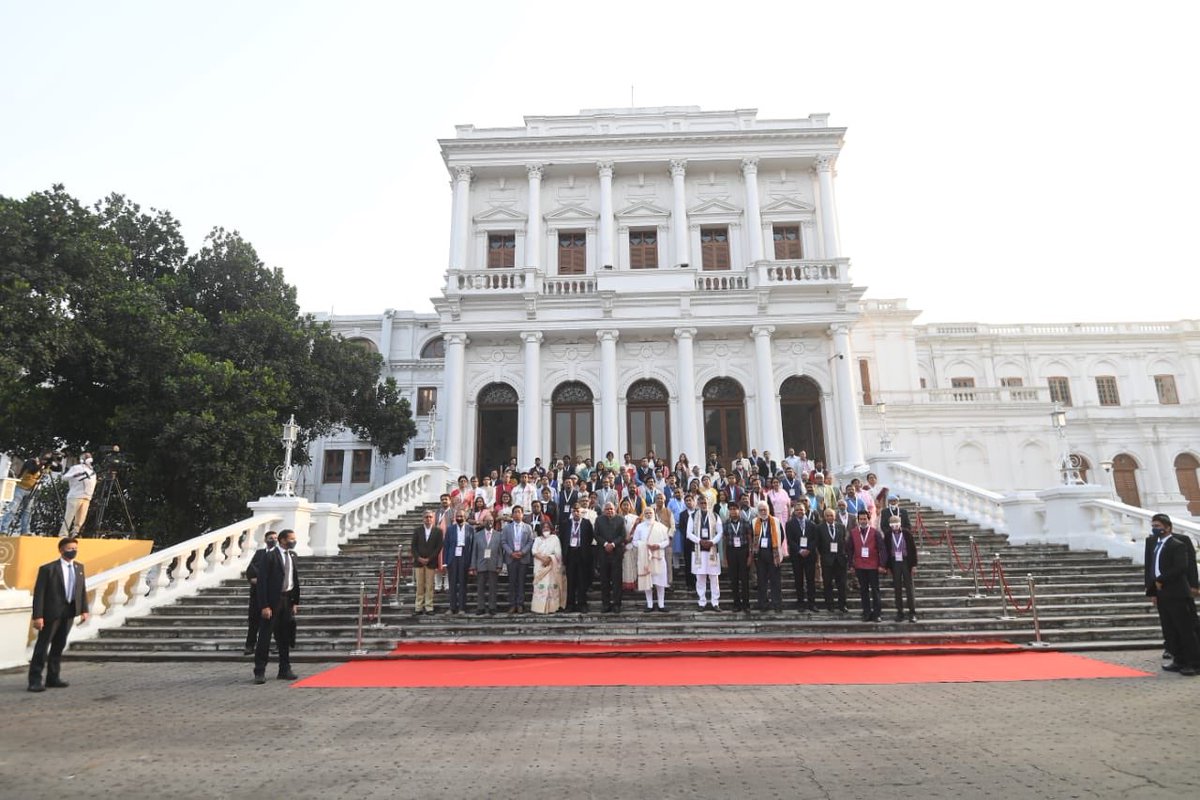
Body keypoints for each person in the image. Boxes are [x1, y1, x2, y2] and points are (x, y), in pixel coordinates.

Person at [28, 536, 89, 692]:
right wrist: (38, 616)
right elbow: (39, 594)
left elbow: (81, 590)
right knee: (43, 646)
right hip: (51, 613)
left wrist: (84, 610)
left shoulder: (79, 568)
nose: (73, 551)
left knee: (59, 645)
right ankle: (35, 680)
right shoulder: (48, 569)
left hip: (69, 612)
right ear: (61, 550)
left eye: (75, 549)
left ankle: (53, 678)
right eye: (70, 549)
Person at [1145, 514, 1200, 675]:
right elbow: (1151, 567)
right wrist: (1152, 589)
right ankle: (1179, 659)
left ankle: (1194, 663)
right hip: (1162, 593)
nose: (1155, 529)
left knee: (1185, 629)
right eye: (1153, 525)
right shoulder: (1155, 544)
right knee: (1170, 628)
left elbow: (1181, 567)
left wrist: (1161, 579)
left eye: (1157, 526)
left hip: (1177, 592)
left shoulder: (1177, 544)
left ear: (1167, 527)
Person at [253, 528, 300, 684]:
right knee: (265, 637)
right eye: (291, 539)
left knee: (285, 637)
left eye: (294, 539)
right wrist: (264, 605)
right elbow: (262, 582)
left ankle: (284, 669)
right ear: (282, 540)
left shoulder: (292, 556)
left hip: (287, 600)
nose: (293, 541)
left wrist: (295, 601)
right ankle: (259, 670)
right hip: (272, 602)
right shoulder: (270, 556)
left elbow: (294, 579)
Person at [243, 530, 279, 655]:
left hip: (272, 595)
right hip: (257, 593)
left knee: (272, 622)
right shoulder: (259, 553)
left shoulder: (280, 554)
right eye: (270, 538)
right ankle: (250, 645)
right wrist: (255, 579)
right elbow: (250, 571)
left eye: (275, 538)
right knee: (253, 621)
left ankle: (269, 645)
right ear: (265, 540)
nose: (273, 540)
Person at [2, 452, 53, 535]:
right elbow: (33, 470)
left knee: (27, 511)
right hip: (20, 488)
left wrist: (54, 462)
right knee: (12, 509)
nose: (45, 461)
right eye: (45, 458)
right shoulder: (31, 461)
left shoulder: (45, 466)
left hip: (31, 490)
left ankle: (25, 531)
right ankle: (3, 530)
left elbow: (58, 469)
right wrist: (41, 464)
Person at [687, 495, 724, 611]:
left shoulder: (715, 516)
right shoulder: (693, 516)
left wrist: (712, 541)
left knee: (714, 577)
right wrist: (700, 541)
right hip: (699, 550)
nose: (704, 505)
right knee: (700, 577)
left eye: (705, 503)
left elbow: (720, 532)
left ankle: (715, 602)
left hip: (712, 549)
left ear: (709, 504)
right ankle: (702, 602)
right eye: (701, 503)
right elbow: (689, 533)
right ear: (698, 504)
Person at [633, 506, 671, 611]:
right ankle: (649, 605)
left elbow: (667, 541)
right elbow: (634, 541)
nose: (649, 515)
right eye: (646, 513)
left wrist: (658, 545)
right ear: (644, 515)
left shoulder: (661, 527)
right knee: (647, 581)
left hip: (658, 557)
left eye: (650, 513)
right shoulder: (639, 527)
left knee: (660, 582)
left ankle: (661, 605)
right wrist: (644, 545)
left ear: (653, 513)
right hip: (645, 557)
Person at [851, 510, 885, 622]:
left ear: (868, 519)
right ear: (858, 520)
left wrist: (881, 564)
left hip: (873, 566)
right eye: (861, 519)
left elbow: (882, 549)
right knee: (863, 591)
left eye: (865, 519)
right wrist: (851, 565)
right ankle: (866, 613)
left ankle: (877, 614)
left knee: (875, 590)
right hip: (860, 566)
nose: (863, 521)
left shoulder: (875, 532)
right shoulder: (853, 532)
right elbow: (850, 549)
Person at [884, 513, 919, 622]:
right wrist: (888, 566)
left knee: (909, 588)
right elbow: (886, 551)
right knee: (897, 588)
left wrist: (914, 565)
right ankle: (900, 612)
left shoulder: (907, 533)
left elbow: (913, 550)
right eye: (892, 524)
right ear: (890, 525)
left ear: (900, 524)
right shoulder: (888, 534)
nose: (895, 526)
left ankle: (912, 613)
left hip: (906, 562)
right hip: (895, 562)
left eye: (897, 523)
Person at [559, 503, 594, 611]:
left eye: (578, 511)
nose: (576, 513)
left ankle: (582, 604)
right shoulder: (566, 523)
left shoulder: (587, 523)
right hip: (570, 553)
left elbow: (590, 538)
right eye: (574, 511)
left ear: (581, 512)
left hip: (582, 553)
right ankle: (570, 604)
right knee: (571, 580)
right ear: (571, 512)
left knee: (582, 580)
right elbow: (562, 538)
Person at [593, 502, 626, 613]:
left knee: (617, 580)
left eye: (611, 509)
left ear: (615, 510)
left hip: (616, 553)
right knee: (604, 580)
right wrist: (605, 544)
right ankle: (605, 604)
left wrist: (612, 544)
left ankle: (617, 604)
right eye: (607, 509)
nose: (609, 511)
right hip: (603, 553)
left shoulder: (620, 520)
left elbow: (623, 535)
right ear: (603, 510)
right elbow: (596, 535)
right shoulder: (599, 520)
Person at [786, 502, 818, 612]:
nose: (800, 511)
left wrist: (808, 549)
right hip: (797, 556)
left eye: (802, 510)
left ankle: (812, 603)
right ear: (794, 512)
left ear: (805, 510)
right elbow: (790, 540)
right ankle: (800, 603)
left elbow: (815, 539)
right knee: (798, 580)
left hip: (810, 556)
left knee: (810, 580)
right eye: (797, 510)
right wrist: (800, 550)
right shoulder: (789, 524)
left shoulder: (812, 524)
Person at [752, 501, 784, 612]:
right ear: (758, 511)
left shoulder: (776, 521)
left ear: (768, 510)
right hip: (760, 556)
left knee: (775, 581)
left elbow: (782, 536)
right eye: (761, 510)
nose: (763, 512)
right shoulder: (754, 522)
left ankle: (777, 604)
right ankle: (763, 604)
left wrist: (775, 548)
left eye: (765, 509)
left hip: (773, 555)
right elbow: (752, 537)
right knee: (762, 581)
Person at [501, 505, 534, 613]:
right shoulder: (506, 528)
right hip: (511, 558)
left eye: (519, 512)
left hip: (523, 558)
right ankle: (512, 604)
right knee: (512, 582)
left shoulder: (528, 527)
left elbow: (530, 541)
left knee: (521, 582)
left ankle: (520, 604)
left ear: (522, 514)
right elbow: (503, 542)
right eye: (515, 512)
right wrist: (511, 553)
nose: (517, 514)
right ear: (512, 514)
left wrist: (522, 552)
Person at [817, 507, 850, 613]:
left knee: (842, 584)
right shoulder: (819, 528)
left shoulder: (841, 527)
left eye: (831, 515)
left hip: (840, 560)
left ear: (835, 516)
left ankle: (842, 605)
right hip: (827, 560)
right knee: (827, 584)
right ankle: (830, 605)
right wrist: (824, 555)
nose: (830, 517)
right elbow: (819, 544)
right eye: (827, 515)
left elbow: (844, 541)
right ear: (824, 517)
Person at [411, 509, 443, 614]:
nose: (428, 519)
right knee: (419, 585)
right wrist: (419, 558)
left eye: (430, 517)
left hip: (431, 562)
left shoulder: (438, 531)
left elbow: (438, 547)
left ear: (433, 519)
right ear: (423, 519)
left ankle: (429, 607)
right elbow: (413, 547)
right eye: (426, 517)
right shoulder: (417, 530)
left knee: (429, 586)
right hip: (418, 562)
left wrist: (429, 559)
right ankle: (418, 607)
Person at [443, 511, 474, 614]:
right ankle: (452, 607)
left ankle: (462, 608)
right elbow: (446, 546)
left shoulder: (470, 529)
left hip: (465, 557)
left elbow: (473, 547)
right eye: (457, 516)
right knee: (452, 584)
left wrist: (472, 563)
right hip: (453, 557)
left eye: (461, 516)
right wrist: (445, 562)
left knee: (463, 584)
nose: (459, 517)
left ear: (465, 517)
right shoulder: (450, 529)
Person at [531, 519, 565, 614]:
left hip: (551, 567)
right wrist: (543, 559)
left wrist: (549, 559)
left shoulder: (555, 538)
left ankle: (552, 608)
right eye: (543, 527)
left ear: (551, 528)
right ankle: (539, 608)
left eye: (547, 527)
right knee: (541, 587)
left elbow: (558, 553)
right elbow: (534, 551)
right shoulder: (537, 539)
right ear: (541, 529)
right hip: (540, 566)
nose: (545, 529)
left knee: (551, 587)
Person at [471, 513, 502, 614]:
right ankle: (481, 607)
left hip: (493, 565)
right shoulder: (477, 535)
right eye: (487, 521)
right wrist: (473, 566)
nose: (490, 523)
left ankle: (492, 607)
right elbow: (474, 552)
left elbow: (500, 552)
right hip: (481, 565)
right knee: (480, 588)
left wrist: (499, 565)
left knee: (493, 588)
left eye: (492, 521)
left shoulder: (498, 535)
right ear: (483, 522)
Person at [59, 453, 97, 535]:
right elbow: (64, 478)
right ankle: (63, 534)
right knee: (69, 517)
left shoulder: (92, 471)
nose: (89, 458)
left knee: (80, 519)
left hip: (87, 497)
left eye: (90, 457)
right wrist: (74, 475)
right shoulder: (76, 468)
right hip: (75, 496)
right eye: (87, 457)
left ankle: (75, 533)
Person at [723, 504, 751, 611]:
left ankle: (746, 604)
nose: (733, 511)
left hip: (743, 550)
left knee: (744, 579)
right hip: (731, 551)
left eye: (735, 509)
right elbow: (725, 540)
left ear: (739, 510)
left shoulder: (745, 522)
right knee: (733, 579)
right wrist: (725, 557)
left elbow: (749, 538)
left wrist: (750, 555)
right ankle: (736, 603)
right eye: (730, 509)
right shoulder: (726, 523)